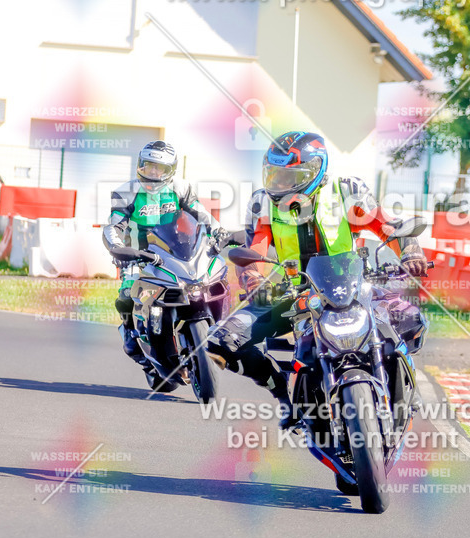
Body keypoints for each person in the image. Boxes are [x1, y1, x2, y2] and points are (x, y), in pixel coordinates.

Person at [207, 130, 428, 423]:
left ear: (315, 170)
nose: (279, 184)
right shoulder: (262, 203)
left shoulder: (348, 191)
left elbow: (389, 227)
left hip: (353, 286)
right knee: (222, 342)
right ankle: (283, 392)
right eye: (274, 175)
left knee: (410, 320)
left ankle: (404, 385)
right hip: (296, 293)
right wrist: (254, 279)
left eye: (289, 177)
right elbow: (254, 250)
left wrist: (411, 251)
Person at [103, 140, 227, 381]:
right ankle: (131, 336)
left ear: (170, 171)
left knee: (201, 284)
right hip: (139, 257)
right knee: (128, 296)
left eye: (159, 169)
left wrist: (218, 232)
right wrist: (117, 247)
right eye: (148, 167)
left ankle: (209, 332)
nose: (152, 174)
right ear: (140, 165)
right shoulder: (125, 192)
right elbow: (114, 225)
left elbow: (201, 214)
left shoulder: (180, 188)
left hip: (176, 251)